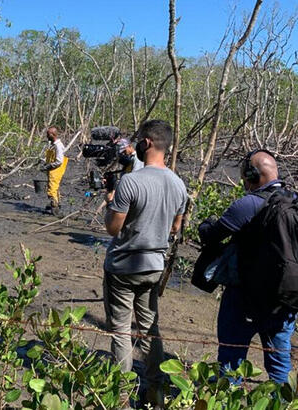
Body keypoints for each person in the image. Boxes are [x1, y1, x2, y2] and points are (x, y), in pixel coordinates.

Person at [103, 120, 188, 396]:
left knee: (121, 331)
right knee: (151, 329)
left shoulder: (130, 182)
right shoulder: (179, 185)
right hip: (154, 267)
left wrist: (110, 200)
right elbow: (175, 228)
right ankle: (155, 391)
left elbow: (113, 228)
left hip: (123, 267)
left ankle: (122, 393)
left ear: (147, 143)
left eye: (138, 140)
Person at [198, 149, 295, 383]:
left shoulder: (249, 203)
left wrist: (205, 226)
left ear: (252, 175)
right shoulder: (294, 201)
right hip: (286, 297)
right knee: (279, 362)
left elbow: (213, 235)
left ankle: (226, 399)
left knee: (231, 359)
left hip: (245, 298)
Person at [41, 126, 68, 216]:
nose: (46, 136)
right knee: (54, 187)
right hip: (52, 170)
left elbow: (59, 161)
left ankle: (54, 207)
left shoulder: (58, 146)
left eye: (48, 134)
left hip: (56, 170)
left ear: (53, 135)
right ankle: (56, 202)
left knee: (52, 188)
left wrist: (48, 166)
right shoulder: (53, 145)